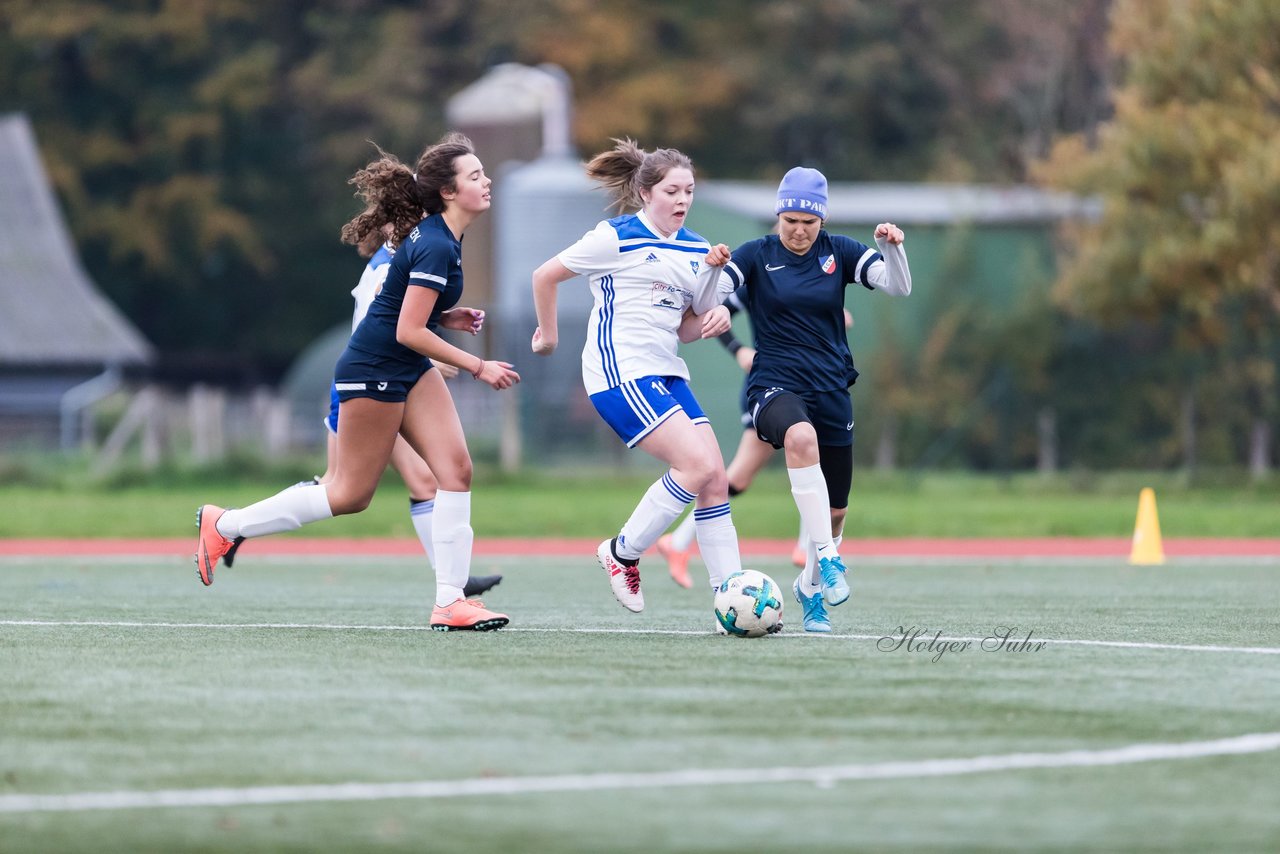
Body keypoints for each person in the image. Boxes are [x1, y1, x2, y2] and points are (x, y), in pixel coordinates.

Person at [195, 132, 519, 631]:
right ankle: (226, 524)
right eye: (475, 175)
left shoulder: (443, 235)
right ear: (450, 192)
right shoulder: (435, 242)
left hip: (403, 365)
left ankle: (451, 601)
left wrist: (446, 316)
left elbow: (401, 308)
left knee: (455, 471)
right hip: (375, 369)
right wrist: (479, 366)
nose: (487, 180)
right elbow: (407, 329)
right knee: (348, 494)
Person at [220, 231, 502, 600]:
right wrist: (431, 357)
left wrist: (442, 321)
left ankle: (236, 524)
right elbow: (379, 327)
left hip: (373, 381)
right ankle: (233, 524)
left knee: (339, 485)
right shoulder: (390, 266)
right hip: (375, 385)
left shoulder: (394, 261)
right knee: (387, 485)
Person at [530, 138, 744, 621]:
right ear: (646, 193)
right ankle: (623, 552)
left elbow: (688, 328)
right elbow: (544, 276)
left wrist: (717, 321)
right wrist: (547, 334)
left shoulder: (697, 249)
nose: (683, 201)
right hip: (619, 370)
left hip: (666, 372)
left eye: (689, 191)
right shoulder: (616, 236)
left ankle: (730, 600)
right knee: (694, 467)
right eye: (672, 191)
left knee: (714, 479)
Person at [691, 166, 911, 632]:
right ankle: (830, 559)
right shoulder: (755, 255)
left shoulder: (841, 252)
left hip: (832, 387)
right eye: (790, 220)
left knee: (836, 511)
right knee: (800, 435)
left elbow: (898, 286)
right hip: (774, 384)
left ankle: (811, 590)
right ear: (778, 215)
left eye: (808, 223)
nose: (798, 230)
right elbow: (706, 300)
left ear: (822, 221)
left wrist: (894, 250)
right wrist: (710, 271)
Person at [654, 291, 855, 587]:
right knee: (797, 456)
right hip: (771, 385)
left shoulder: (812, 271)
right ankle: (804, 546)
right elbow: (718, 313)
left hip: (811, 382)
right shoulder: (760, 270)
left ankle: (680, 541)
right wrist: (738, 350)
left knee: (750, 474)